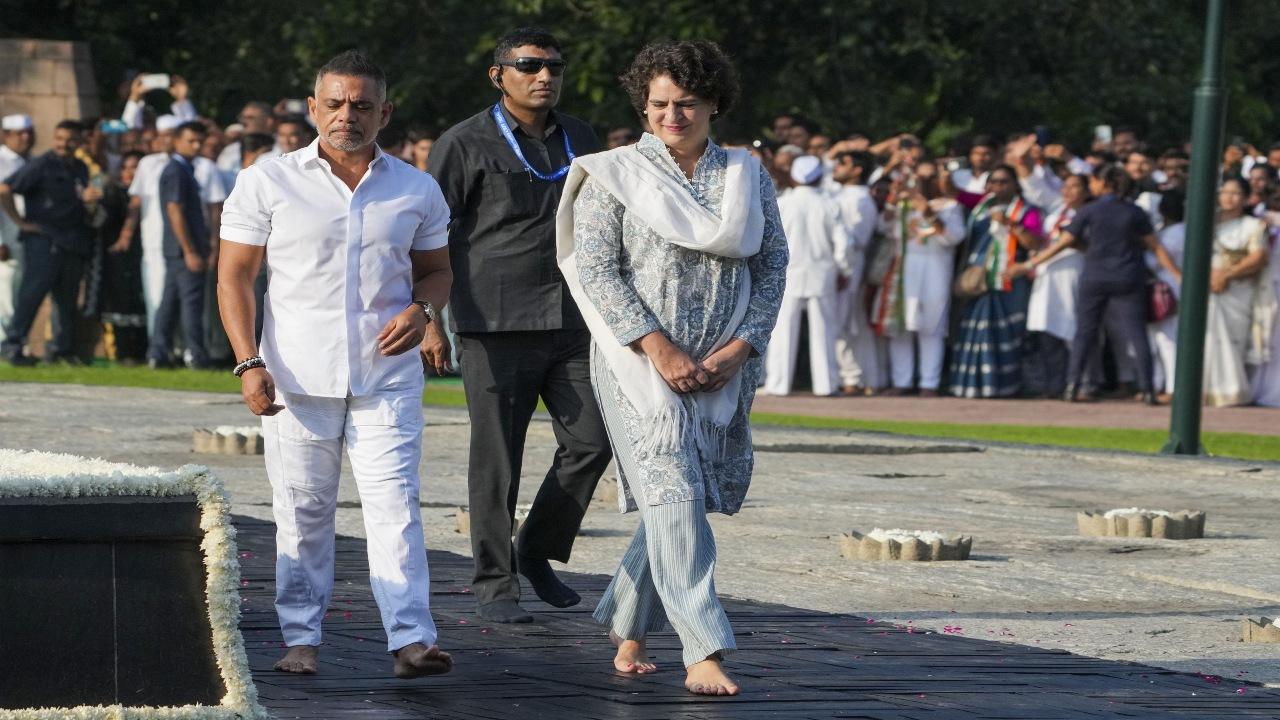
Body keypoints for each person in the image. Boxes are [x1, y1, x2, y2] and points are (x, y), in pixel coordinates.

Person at [558, 39, 786, 696]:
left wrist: (739, 348)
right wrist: (659, 349)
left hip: (724, 365)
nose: (671, 116)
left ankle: (628, 623)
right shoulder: (614, 173)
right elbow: (598, 271)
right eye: (659, 103)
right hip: (638, 367)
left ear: (714, 103)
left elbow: (772, 265)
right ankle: (703, 647)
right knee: (675, 494)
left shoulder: (746, 174)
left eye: (685, 103)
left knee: (687, 497)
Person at [217, 50, 453, 678]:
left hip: (387, 376)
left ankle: (411, 638)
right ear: (313, 106)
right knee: (301, 509)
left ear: (385, 112)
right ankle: (301, 637)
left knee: (396, 505)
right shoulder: (267, 180)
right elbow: (235, 277)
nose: (348, 115)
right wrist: (248, 361)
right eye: (336, 102)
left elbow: (436, 269)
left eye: (362, 104)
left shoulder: (415, 186)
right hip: (295, 375)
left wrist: (425, 310)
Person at [426, 27, 612, 624]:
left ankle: (534, 550)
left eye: (555, 66)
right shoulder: (462, 142)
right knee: (497, 458)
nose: (544, 76)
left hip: (573, 316)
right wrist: (431, 319)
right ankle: (494, 581)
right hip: (494, 321)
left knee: (593, 441)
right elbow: (432, 238)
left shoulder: (580, 136)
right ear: (497, 74)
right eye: (529, 65)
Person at [1009, 164, 1180, 404]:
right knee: (1136, 333)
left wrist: (1030, 264)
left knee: (1084, 332)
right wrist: (1177, 274)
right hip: (1128, 276)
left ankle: (1072, 385)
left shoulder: (1090, 211)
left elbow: (1063, 242)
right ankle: (1148, 389)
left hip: (1095, 276)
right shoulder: (1134, 212)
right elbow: (1155, 246)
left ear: (1104, 183)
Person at [0, 120, 100, 364]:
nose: (63, 144)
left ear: (78, 142)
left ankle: (61, 350)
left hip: (72, 241)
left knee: (66, 300)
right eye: (59, 138)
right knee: (31, 296)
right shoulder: (42, 164)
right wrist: (20, 222)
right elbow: (5, 189)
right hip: (44, 241)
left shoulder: (79, 168)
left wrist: (90, 203)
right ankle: (13, 344)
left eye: (69, 140)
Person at [948, 164, 1043, 398]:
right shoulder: (981, 208)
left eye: (1004, 182)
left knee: (1009, 333)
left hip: (1009, 279)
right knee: (974, 332)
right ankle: (971, 387)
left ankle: (1006, 388)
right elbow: (952, 192)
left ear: (1015, 185)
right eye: (994, 182)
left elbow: (1034, 244)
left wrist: (1009, 224)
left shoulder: (1027, 211)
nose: (998, 187)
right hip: (979, 280)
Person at [873, 161, 965, 396]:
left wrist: (927, 211)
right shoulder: (904, 206)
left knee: (931, 325)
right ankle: (901, 381)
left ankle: (929, 383)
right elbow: (883, 227)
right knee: (901, 324)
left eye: (928, 179)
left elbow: (954, 237)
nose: (921, 184)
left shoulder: (950, 206)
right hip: (905, 266)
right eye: (919, 179)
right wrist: (894, 203)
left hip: (935, 266)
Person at [763, 155, 847, 396]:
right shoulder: (830, 204)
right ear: (820, 177)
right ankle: (826, 385)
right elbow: (843, 243)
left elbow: (770, 240)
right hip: (823, 272)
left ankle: (779, 383)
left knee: (782, 332)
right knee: (824, 331)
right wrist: (844, 269)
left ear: (793, 177)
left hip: (787, 273)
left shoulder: (784, 203)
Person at [1201, 177, 1271, 406]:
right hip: (1206, 286)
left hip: (1237, 288)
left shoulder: (1252, 225)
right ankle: (1201, 391)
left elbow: (1258, 257)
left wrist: (1227, 275)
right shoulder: (1207, 223)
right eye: (1225, 192)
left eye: (1235, 193)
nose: (1228, 197)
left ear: (1246, 198)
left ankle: (1231, 392)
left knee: (1231, 341)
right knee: (1206, 338)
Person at [148, 122, 212, 368]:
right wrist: (190, 250)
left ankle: (158, 352)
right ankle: (195, 354)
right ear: (175, 141)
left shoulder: (183, 169)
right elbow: (174, 210)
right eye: (190, 141)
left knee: (170, 303)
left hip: (176, 250)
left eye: (199, 141)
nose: (196, 146)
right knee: (191, 303)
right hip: (184, 250)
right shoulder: (176, 170)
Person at [1022, 174, 1091, 398]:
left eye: (1075, 187)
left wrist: (1069, 240)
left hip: (1073, 271)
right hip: (1048, 274)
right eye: (1066, 186)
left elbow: (1085, 245)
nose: (1068, 191)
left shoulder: (1087, 214)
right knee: (1047, 329)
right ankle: (1053, 384)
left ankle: (1082, 383)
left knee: (1074, 328)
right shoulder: (1054, 212)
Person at [829, 149, 880, 394]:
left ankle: (851, 377)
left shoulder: (860, 198)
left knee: (841, 321)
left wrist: (843, 268)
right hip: (834, 261)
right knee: (842, 322)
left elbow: (857, 239)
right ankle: (854, 376)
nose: (836, 167)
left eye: (843, 163)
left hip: (848, 263)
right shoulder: (837, 194)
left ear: (857, 170)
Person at [1147, 190, 1186, 399]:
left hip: (1169, 289)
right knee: (1163, 340)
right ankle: (1159, 383)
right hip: (1173, 288)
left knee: (1167, 340)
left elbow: (1153, 261)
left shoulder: (1172, 234)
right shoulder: (1183, 230)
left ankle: (1170, 388)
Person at [0, 114, 34, 330]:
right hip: (7, 236)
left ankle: (16, 342)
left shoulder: (32, 161)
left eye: (29, 133)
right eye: (20, 133)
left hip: (27, 235)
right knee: (5, 286)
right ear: (5, 136)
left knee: (20, 289)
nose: (26, 138)